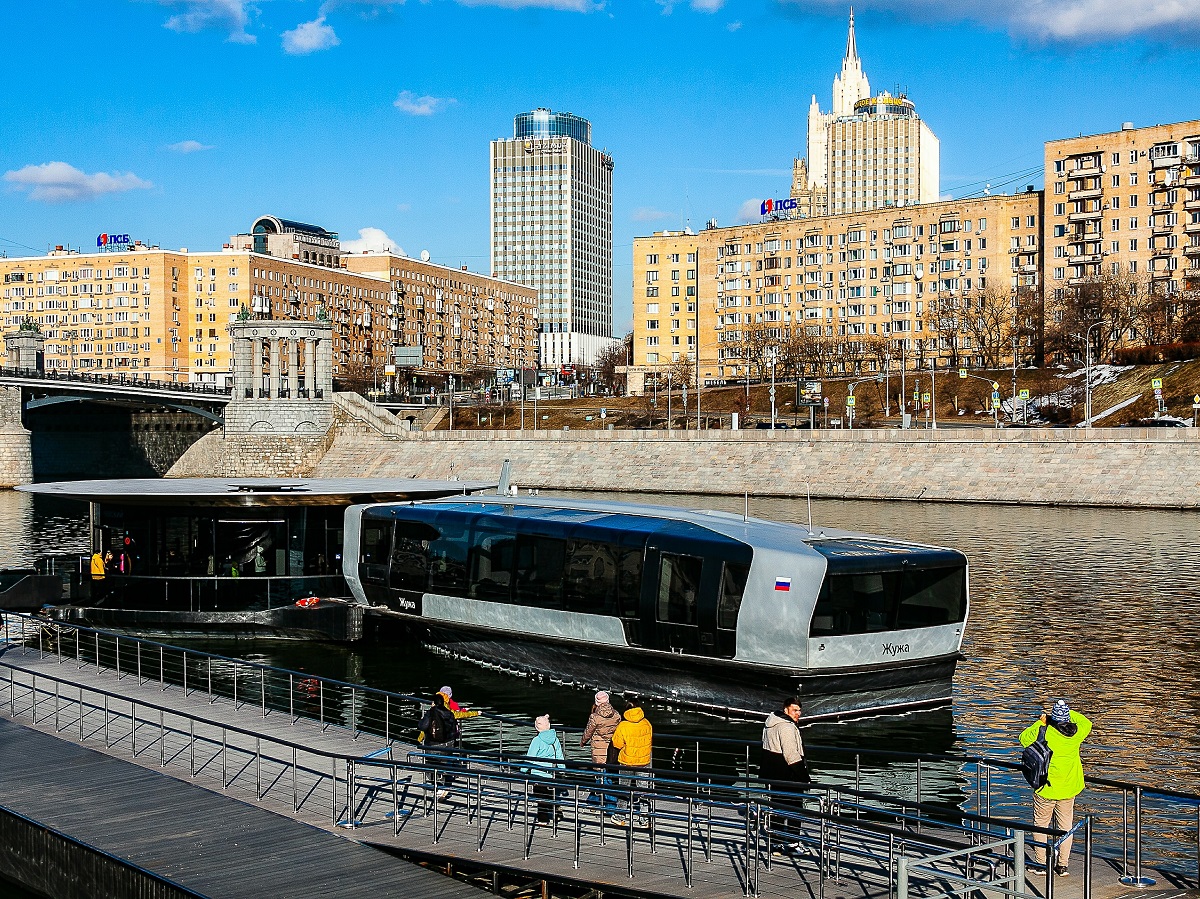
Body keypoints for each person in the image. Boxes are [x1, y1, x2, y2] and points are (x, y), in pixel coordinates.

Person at [1019, 699, 1092, 876]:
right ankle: (1062, 865)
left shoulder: (1044, 731)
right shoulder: (1077, 733)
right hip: (1068, 788)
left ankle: (1041, 864)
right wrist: (1067, 713)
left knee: (1041, 824)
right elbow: (1086, 721)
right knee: (1066, 825)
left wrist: (1044, 720)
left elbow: (1023, 738)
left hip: (1046, 787)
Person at [609, 700, 653, 827]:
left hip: (627, 761)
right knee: (643, 789)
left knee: (624, 788)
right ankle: (644, 819)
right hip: (644, 761)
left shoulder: (623, 725)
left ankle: (620, 816)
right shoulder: (646, 723)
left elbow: (616, 743)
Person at [760, 698, 812, 791]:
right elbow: (791, 755)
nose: (798, 714)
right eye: (794, 710)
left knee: (776, 803)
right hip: (787, 778)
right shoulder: (786, 727)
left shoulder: (770, 723)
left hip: (771, 775)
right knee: (792, 804)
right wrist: (805, 778)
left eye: (799, 710)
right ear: (785, 710)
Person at [581, 691, 621, 807]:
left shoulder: (595, 717)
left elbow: (588, 732)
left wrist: (583, 741)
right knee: (607, 777)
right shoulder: (616, 715)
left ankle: (609, 805)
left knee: (601, 778)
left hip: (599, 750)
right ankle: (594, 800)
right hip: (612, 750)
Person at [417, 691, 460, 798]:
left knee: (432, 765)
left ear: (434, 703)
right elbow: (453, 727)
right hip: (449, 742)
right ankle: (444, 784)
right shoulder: (449, 712)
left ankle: (440, 787)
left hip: (433, 743)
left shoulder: (431, 713)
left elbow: (423, 726)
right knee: (445, 763)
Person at [525, 714, 565, 825]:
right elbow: (559, 755)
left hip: (537, 773)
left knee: (540, 797)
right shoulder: (555, 739)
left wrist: (523, 770)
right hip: (550, 773)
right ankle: (555, 809)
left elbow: (530, 757)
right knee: (549, 794)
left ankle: (543, 819)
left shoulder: (536, 740)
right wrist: (562, 769)